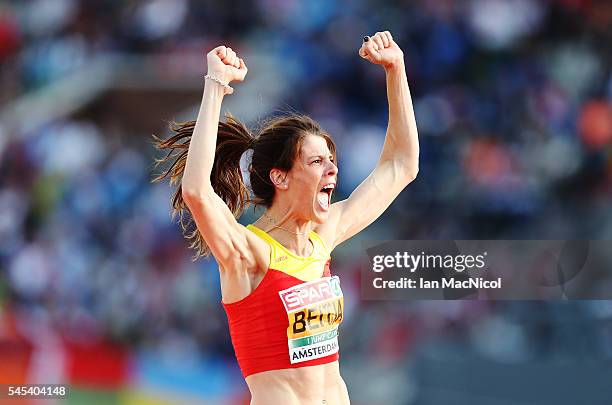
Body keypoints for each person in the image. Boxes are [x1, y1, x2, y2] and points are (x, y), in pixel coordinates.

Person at [153, 31, 419, 405]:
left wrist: (396, 68)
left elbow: (401, 165)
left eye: (331, 160)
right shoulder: (248, 253)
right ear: (281, 177)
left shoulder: (323, 237)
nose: (332, 170)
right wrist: (215, 85)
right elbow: (197, 191)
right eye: (316, 161)